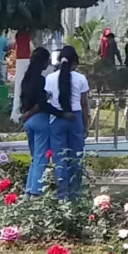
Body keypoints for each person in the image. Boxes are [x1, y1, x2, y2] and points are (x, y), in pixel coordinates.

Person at [49, 45, 90, 197]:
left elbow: (46, 100)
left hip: (57, 118)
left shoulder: (50, 78)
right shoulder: (81, 79)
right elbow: (84, 103)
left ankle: (61, 194)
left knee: (59, 158)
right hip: (75, 117)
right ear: (75, 62)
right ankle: (75, 193)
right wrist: (86, 125)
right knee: (76, 157)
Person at [18, 46, 56, 192]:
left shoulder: (26, 78)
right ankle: (36, 189)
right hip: (39, 119)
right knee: (42, 157)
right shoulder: (40, 80)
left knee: (35, 157)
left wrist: (26, 114)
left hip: (28, 121)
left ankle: (29, 188)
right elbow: (41, 104)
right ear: (44, 61)